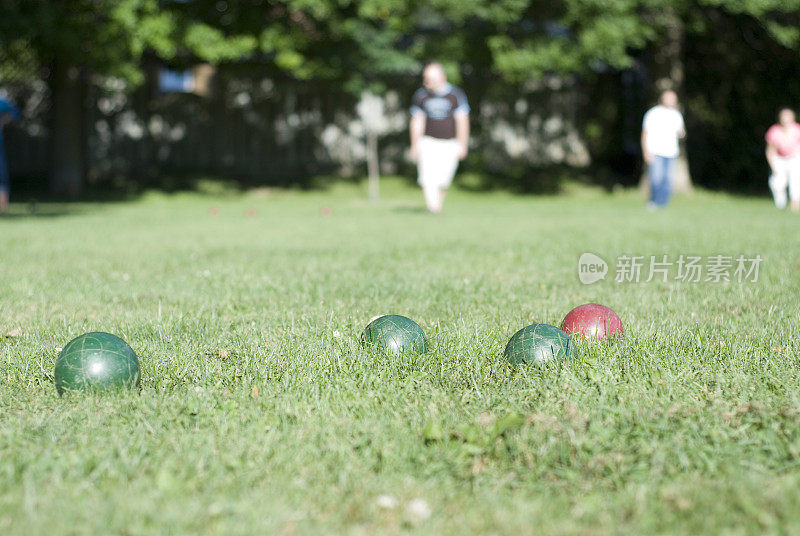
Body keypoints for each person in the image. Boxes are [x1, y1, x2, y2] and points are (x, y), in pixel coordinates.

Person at [409, 62, 470, 214]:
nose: (427, 82)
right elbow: (417, 121)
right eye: (425, 78)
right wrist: (414, 145)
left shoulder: (455, 95)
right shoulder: (421, 95)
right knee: (427, 178)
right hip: (428, 141)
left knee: (443, 179)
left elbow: (462, 120)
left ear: (442, 77)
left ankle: (436, 206)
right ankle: (433, 208)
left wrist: (463, 144)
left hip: (450, 143)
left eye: (431, 78)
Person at [641, 90, 685, 209]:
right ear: (662, 99)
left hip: (671, 152)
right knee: (656, 178)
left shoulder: (676, 115)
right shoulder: (653, 113)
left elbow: (681, 132)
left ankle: (663, 203)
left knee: (667, 179)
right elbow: (644, 134)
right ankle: (654, 201)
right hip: (655, 151)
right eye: (668, 98)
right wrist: (645, 151)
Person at [765, 107, 800, 212]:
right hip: (779, 159)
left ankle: (795, 207)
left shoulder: (797, 130)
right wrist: (773, 166)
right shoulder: (774, 131)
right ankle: (781, 205)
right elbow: (770, 150)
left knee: (796, 182)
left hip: (794, 158)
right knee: (777, 183)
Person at [0, 95, 20, 214]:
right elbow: (15, 113)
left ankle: (3, 208)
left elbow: (14, 113)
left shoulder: (2, 103)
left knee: (2, 178)